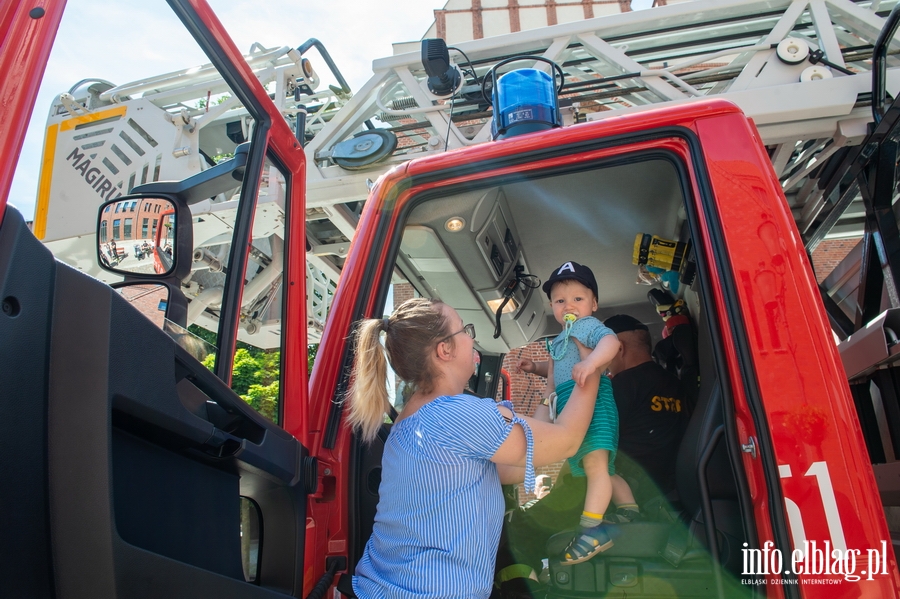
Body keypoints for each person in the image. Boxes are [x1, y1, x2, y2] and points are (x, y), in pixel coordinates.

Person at [346, 297, 602, 599]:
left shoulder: (411, 419)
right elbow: (568, 440)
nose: (473, 337)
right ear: (445, 349)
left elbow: (507, 467)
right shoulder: (458, 414)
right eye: (465, 330)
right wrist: (593, 365)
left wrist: (549, 389)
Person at [523, 261, 633, 565]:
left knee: (596, 463)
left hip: (592, 400)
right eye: (560, 301)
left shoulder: (589, 327)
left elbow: (611, 344)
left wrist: (591, 363)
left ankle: (592, 530)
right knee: (596, 465)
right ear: (551, 306)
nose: (568, 306)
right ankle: (628, 508)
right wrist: (536, 368)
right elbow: (558, 369)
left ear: (594, 304)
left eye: (578, 299)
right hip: (571, 403)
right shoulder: (559, 340)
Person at [603, 314, 687, 503]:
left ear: (619, 348)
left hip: (630, 495)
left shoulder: (619, 387)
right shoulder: (676, 384)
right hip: (671, 491)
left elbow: (590, 442)